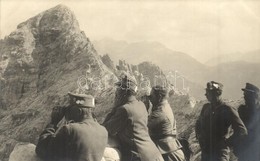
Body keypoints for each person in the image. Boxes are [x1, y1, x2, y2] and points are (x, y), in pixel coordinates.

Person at [103, 72, 164, 161]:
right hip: (154, 154)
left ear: (124, 92)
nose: (116, 92)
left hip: (139, 157)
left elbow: (106, 129)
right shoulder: (141, 105)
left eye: (118, 89)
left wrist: (115, 107)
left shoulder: (124, 110)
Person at [35, 93, 108, 161]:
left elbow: (42, 150)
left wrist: (53, 122)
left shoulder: (71, 129)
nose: (67, 111)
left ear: (79, 111)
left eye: (70, 108)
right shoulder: (103, 130)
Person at [195, 81, 247, 161]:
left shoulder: (228, 109)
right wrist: (199, 137)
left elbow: (242, 130)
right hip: (206, 154)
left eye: (208, 92)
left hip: (220, 155)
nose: (206, 95)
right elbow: (198, 124)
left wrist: (227, 143)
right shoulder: (206, 108)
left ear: (216, 93)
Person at [148, 85, 185, 161]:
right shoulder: (165, 106)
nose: (149, 98)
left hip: (167, 152)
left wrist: (145, 107)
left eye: (151, 96)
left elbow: (143, 126)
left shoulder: (160, 112)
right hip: (170, 149)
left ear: (159, 96)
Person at [235, 83, 260, 161]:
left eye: (247, 95)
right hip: (243, 152)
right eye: (245, 95)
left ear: (255, 97)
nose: (245, 98)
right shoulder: (242, 110)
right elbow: (238, 130)